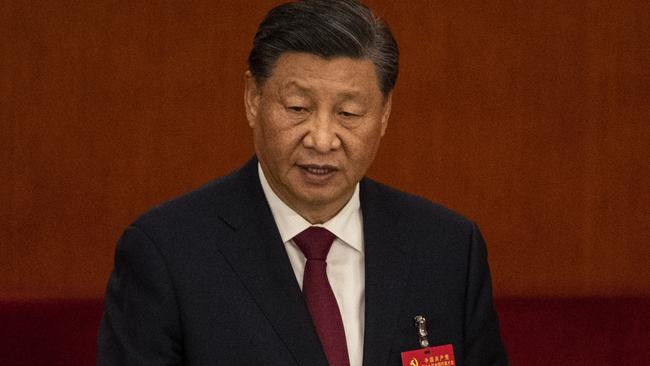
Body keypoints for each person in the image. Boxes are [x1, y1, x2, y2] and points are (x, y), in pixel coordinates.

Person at [97, 0, 508, 365]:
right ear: (253, 99)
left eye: (349, 113)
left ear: (384, 115)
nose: (322, 139)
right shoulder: (167, 253)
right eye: (298, 107)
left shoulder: (447, 249)